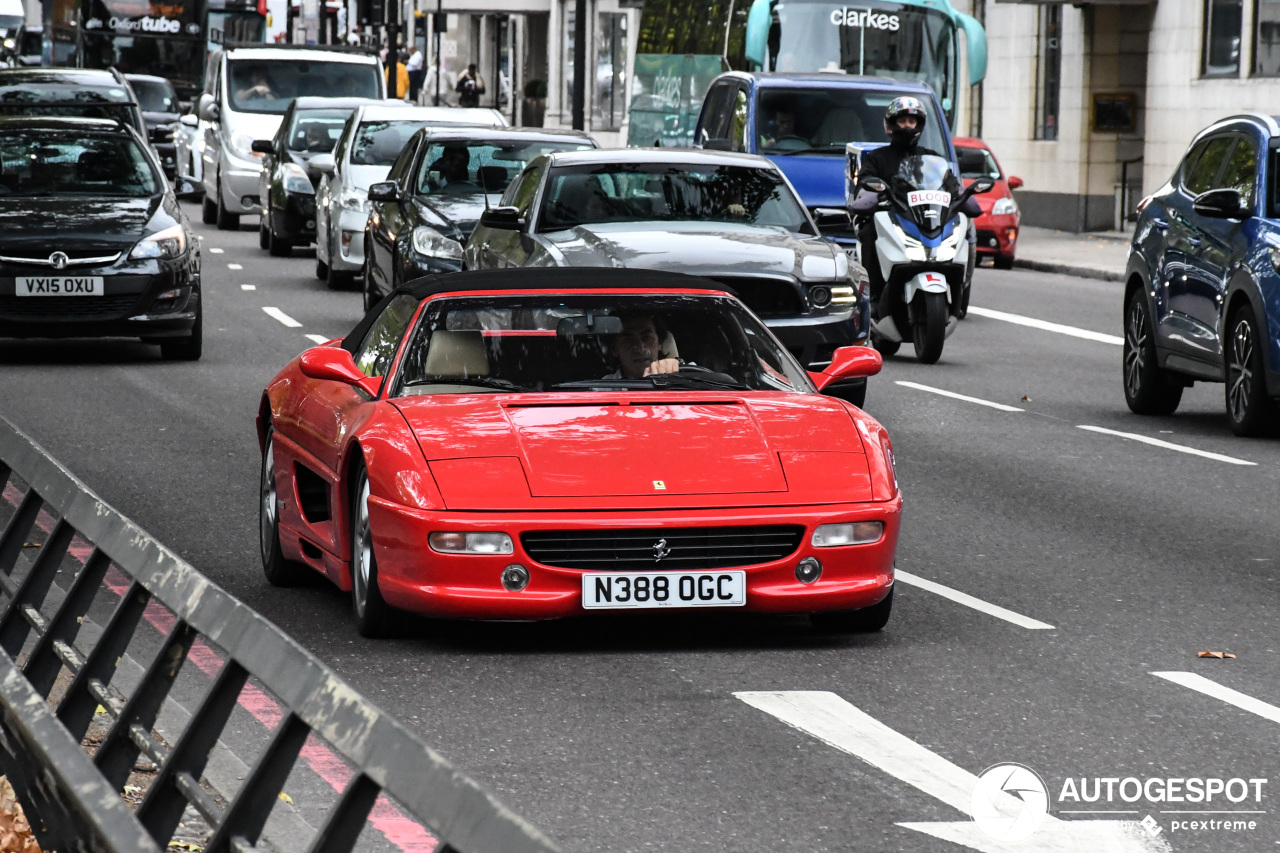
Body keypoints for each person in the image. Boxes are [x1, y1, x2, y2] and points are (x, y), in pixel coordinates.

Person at [853, 96, 976, 326]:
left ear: (919, 124)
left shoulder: (932, 158)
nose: (908, 126)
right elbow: (865, 182)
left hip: (924, 220)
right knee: (869, 232)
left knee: (965, 229)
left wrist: (962, 195)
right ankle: (875, 298)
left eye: (912, 120)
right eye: (903, 121)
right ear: (891, 125)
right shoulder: (877, 158)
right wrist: (873, 191)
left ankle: (959, 294)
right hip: (892, 219)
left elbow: (948, 183)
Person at [604, 315, 680, 380]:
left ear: (660, 343)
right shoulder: (602, 389)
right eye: (628, 340)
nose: (640, 348)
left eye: (646, 337)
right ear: (614, 349)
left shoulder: (684, 377)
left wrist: (678, 371)